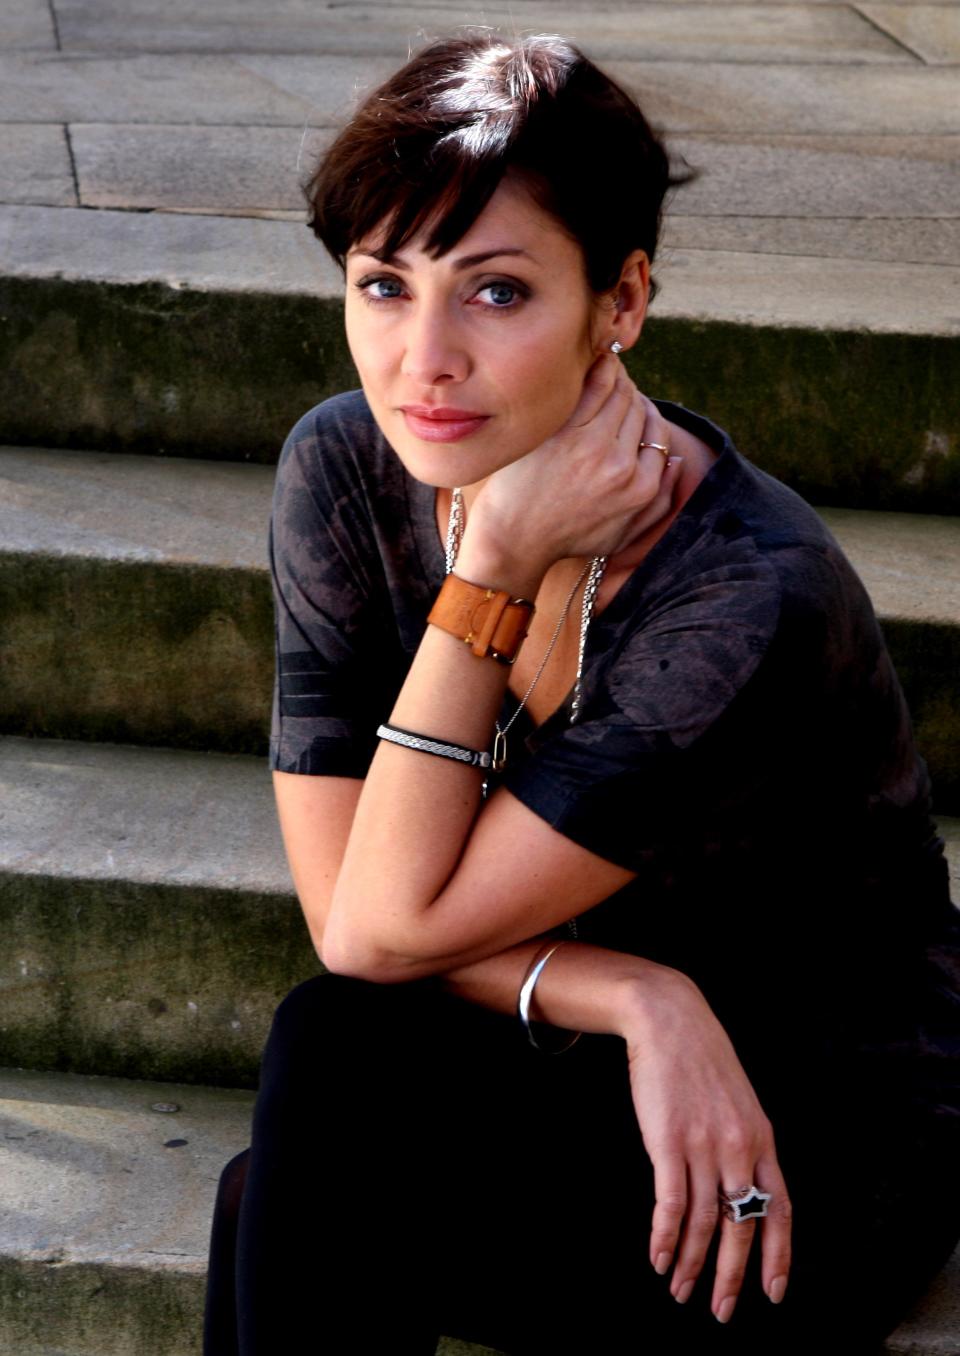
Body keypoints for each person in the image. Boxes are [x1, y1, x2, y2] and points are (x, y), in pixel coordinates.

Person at [204, 30, 960, 1356]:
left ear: (623, 300)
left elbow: (392, 931)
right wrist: (637, 997)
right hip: (608, 1053)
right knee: (332, 1065)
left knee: (291, 1185)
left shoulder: (740, 591)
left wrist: (486, 571)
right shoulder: (345, 473)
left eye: (495, 293)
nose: (421, 358)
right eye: (384, 285)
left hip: (802, 1123)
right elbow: (361, 926)